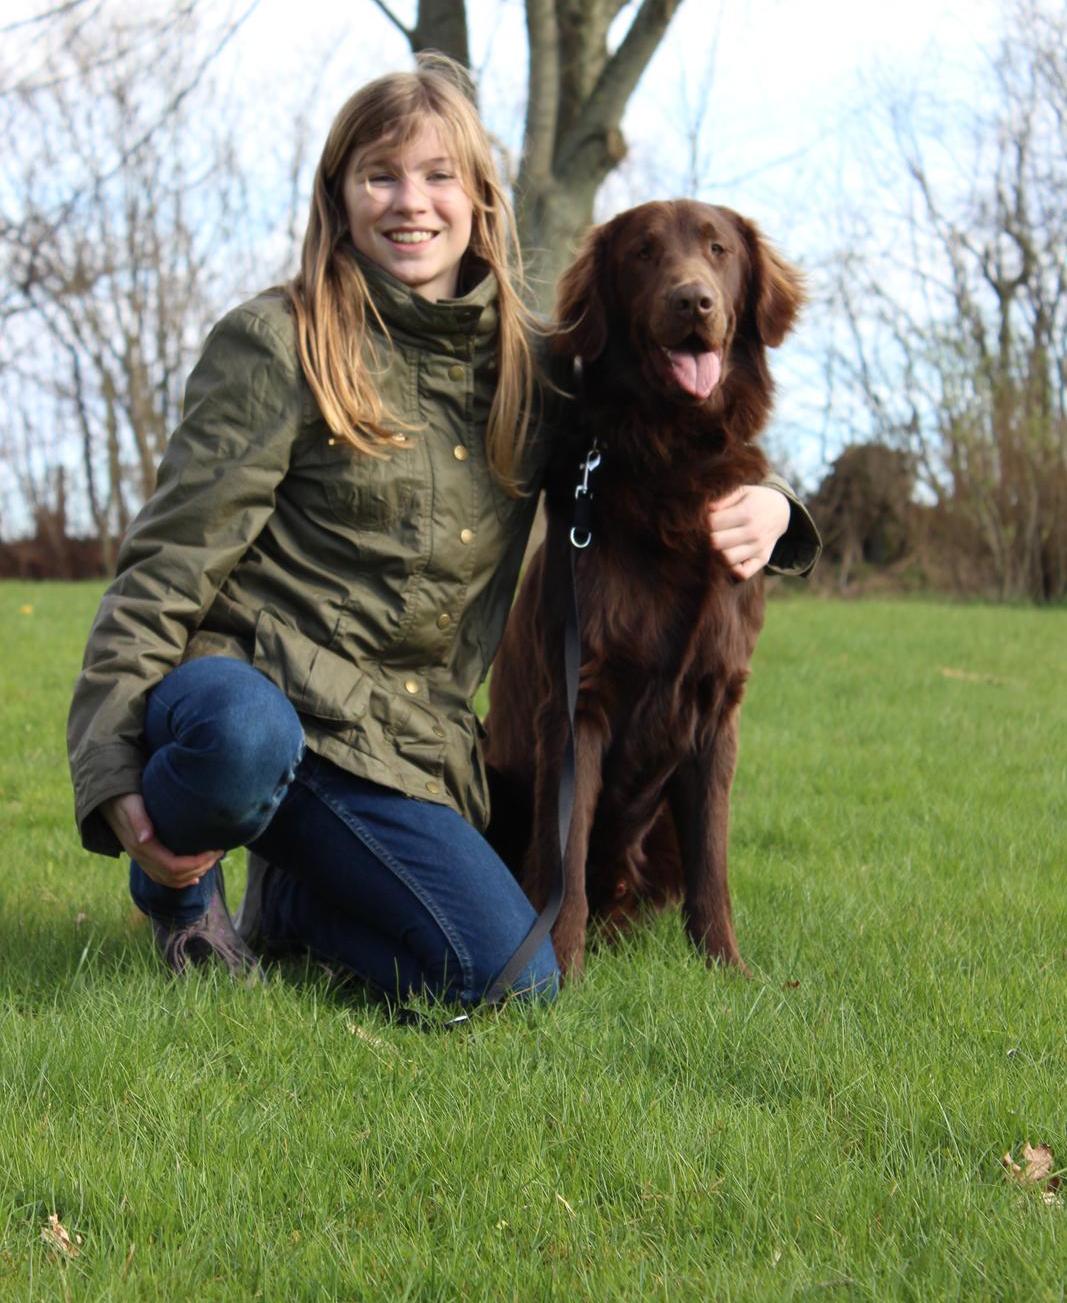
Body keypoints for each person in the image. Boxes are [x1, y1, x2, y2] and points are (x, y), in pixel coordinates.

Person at [67, 54, 819, 1012]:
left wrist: (783, 510)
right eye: (380, 176)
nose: (409, 203)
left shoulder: (527, 369)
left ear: (478, 202)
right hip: (253, 696)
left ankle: (294, 910)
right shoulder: (275, 343)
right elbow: (163, 569)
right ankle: (180, 890)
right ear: (338, 197)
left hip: (400, 745)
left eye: (437, 178)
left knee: (511, 984)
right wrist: (108, 770)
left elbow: (654, 445)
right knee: (239, 738)